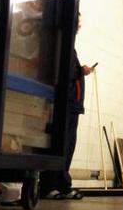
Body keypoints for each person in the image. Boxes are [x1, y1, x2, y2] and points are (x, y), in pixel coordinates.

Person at [40, 11, 94, 200]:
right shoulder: (60, 44)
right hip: (65, 103)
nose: (79, 26)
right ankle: (49, 185)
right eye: (77, 22)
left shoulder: (69, 46)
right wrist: (80, 71)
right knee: (59, 145)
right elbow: (64, 72)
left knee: (68, 146)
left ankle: (62, 184)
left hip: (72, 104)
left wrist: (80, 70)